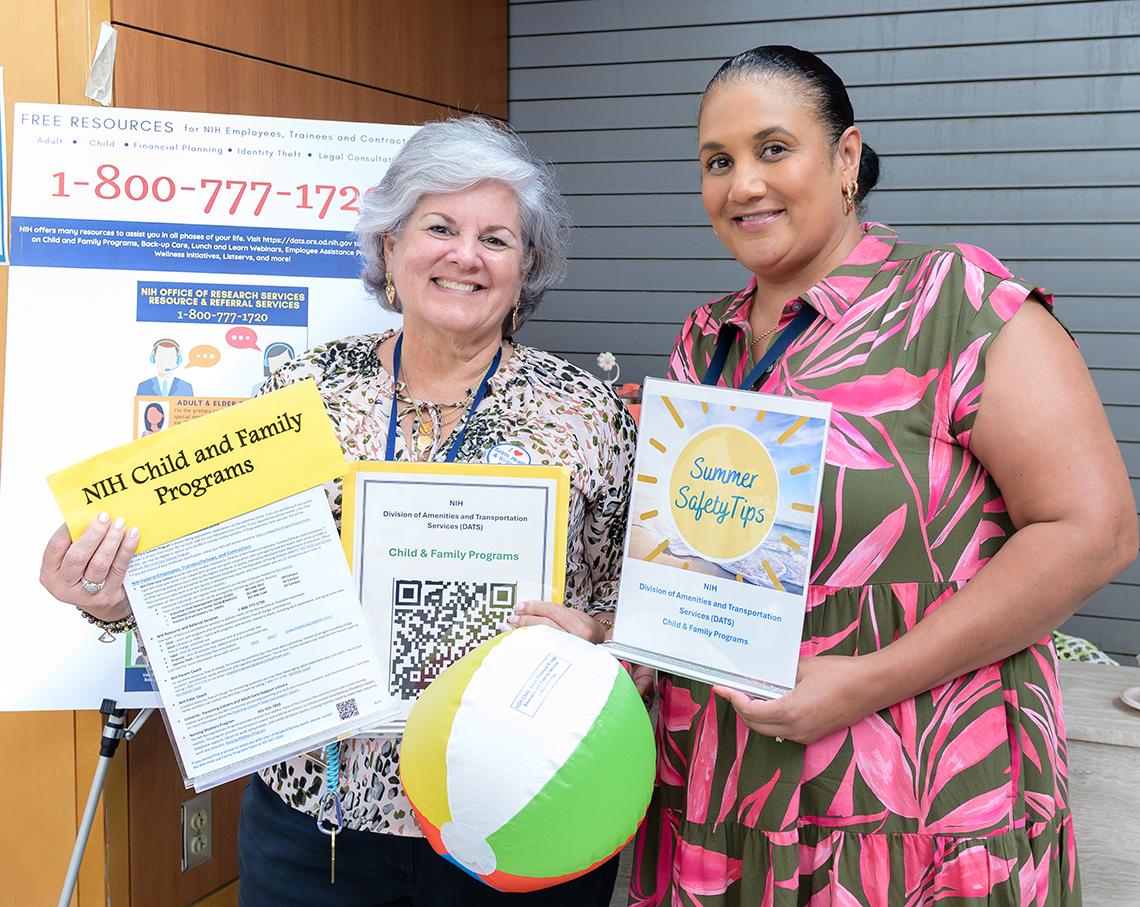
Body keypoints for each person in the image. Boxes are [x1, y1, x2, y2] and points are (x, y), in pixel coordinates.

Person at [536, 45, 1135, 905]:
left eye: (773, 148)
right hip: (729, 790)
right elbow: (705, 558)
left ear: (846, 157)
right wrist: (622, 641)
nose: (743, 184)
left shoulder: (953, 303)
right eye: (717, 161)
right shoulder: (706, 339)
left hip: (914, 795)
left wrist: (867, 681)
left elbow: (1093, 531)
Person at [39, 116, 637, 906]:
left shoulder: (586, 411)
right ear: (390, 246)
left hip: (517, 813)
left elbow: (635, 611)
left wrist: (597, 634)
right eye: (440, 227)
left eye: (496, 239)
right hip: (316, 826)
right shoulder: (301, 392)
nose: (466, 255)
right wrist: (116, 597)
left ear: (525, 266)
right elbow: (222, 583)